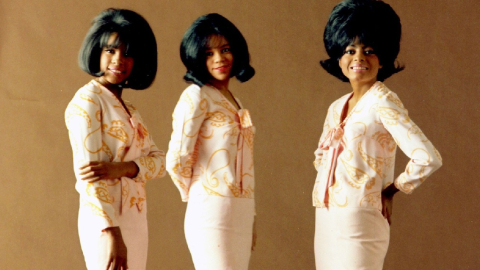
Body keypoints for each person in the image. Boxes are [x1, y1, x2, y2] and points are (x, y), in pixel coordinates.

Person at [312, 0, 442, 269]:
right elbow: (322, 157)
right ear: (338, 57)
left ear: (382, 58)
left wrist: (393, 189)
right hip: (326, 218)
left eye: (369, 50)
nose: (358, 57)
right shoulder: (336, 107)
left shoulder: (383, 101)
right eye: (350, 49)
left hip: (361, 219)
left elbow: (428, 157)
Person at [65, 8, 166, 270]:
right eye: (111, 50)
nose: (119, 60)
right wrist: (112, 233)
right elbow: (89, 177)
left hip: (135, 219)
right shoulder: (87, 101)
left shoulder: (129, 109)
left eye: (128, 53)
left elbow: (161, 162)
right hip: (105, 224)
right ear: (96, 51)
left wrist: (123, 168)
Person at [166, 13, 256, 270]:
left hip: (241, 211)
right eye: (208, 53)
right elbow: (177, 159)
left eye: (225, 49)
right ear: (196, 57)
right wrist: (199, 193)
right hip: (211, 210)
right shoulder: (196, 95)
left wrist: (251, 214)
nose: (219, 59)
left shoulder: (232, 98)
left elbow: (244, 162)